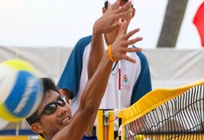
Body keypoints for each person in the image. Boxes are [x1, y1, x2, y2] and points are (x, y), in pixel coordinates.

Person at [25, 14, 143, 140]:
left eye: (61, 101)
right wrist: (109, 56)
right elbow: (87, 107)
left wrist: (97, 34)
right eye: (50, 109)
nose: (62, 109)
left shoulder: (84, 134)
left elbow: (93, 79)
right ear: (37, 127)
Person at [57, 0, 152, 133]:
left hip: (117, 136)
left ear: (132, 13)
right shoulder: (84, 46)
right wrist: (66, 128)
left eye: (125, 8)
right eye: (115, 7)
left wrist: (131, 134)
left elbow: (142, 109)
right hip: (82, 133)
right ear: (104, 11)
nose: (120, 13)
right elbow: (64, 91)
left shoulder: (139, 59)